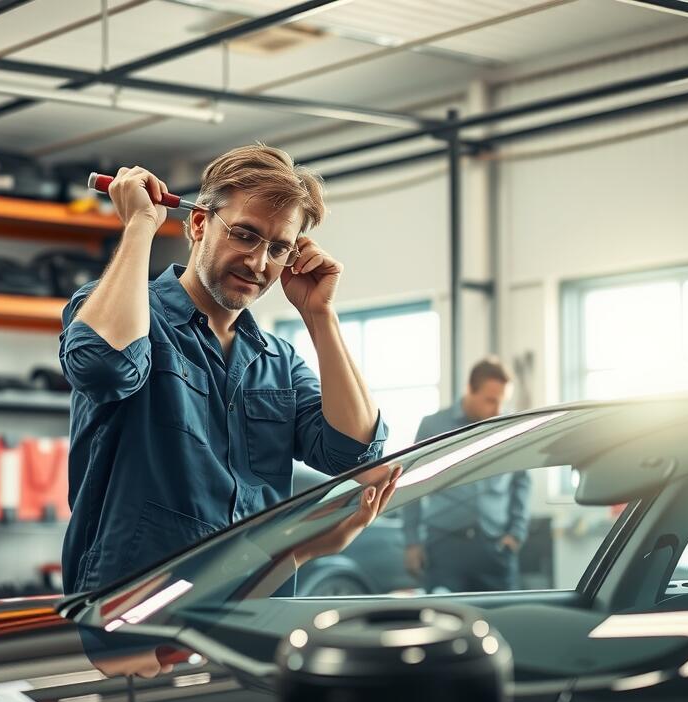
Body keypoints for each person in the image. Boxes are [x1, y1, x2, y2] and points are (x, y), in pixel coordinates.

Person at [59, 145, 387, 594]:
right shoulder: (122, 311)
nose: (258, 264)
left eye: (278, 248)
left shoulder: (279, 362)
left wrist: (319, 316)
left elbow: (354, 453)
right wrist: (140, 226)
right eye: (245, 235)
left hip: (249, 608)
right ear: (198, 223)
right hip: (134, 616)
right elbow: (104, 367)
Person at [402, 358, 531, 592]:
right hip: (443, 548)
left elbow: (521, 481)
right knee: (444, 621)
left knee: (505, 619)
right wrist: (412, 541)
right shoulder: (433, 426)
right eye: (491, 401)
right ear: (470, 390)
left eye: (502, 402)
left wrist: (517, 533)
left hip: (496, 548)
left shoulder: (510, 425)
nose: (498, 410)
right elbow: (410, 484)